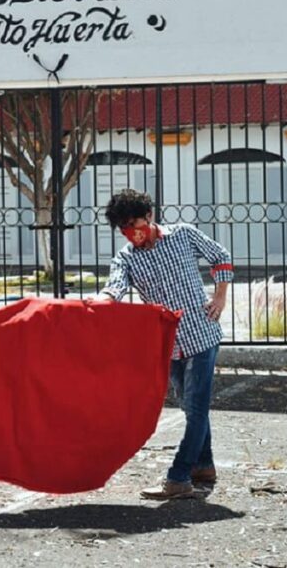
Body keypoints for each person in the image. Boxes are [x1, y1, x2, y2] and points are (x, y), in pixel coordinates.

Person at [97, 189, 233, 500]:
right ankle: (204, 466)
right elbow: (114, 286)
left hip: (202, 334)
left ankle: (178, 477)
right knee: (190, 407)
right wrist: (102, 302)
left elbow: (220, 256)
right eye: (124, 229)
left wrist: (220, 296)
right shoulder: (127, 258)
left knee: (196, 408)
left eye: (134, 225)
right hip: (168, 344)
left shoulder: (183, 235)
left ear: (150, 216)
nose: (131, 234)